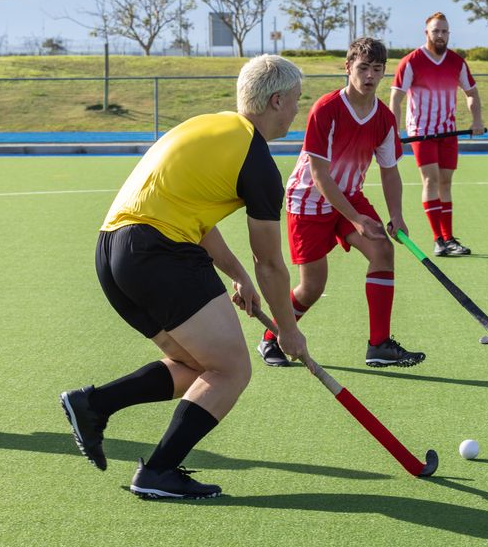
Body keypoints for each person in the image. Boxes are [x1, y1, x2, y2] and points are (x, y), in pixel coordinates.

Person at [60, 54, 308, 500]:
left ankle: (94, 404)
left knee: (197, 364)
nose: (297, 110)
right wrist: (288, 330)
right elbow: (270, 263)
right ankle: (158, 471)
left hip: (113, 252)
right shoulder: (258, 162)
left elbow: (195, 216)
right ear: (275, 101)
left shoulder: (208, 127)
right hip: (159, 254)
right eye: (295, 100)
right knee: (231, 369)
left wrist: (236, 276)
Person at [257, 37, 425, 369]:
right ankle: (270, 338)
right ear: (348, 68)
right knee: (312, 287)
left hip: (348, 196)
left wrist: (396, 215)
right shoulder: (327, 109)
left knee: (382, 250)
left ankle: (379, 345)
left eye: (378, 69)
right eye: (363, 68)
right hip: (309, 200)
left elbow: (389, 172)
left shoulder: (385, 119)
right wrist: (358, 219)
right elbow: (319, 174)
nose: (370, 76)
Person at [390, 12, 485, 257]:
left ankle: (448, 237)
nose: (440, 36)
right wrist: (394, 130)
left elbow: (471, 93)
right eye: (436, 31)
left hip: (448, 132)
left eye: (444, 31)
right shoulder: (411, 61)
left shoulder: (457, 62)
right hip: (422, 132)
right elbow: (397, 97)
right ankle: (438, 241)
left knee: (446, 182)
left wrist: (476, 120)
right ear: (427, 33)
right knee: (431, 180)